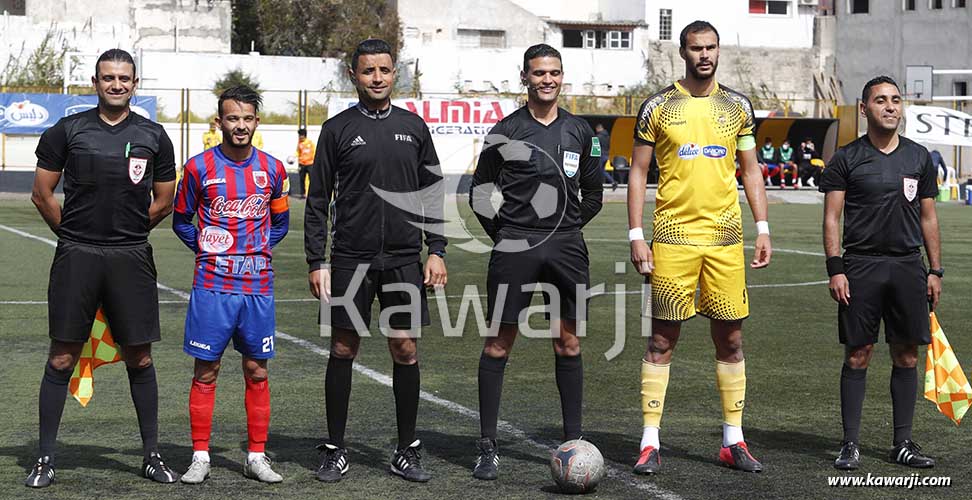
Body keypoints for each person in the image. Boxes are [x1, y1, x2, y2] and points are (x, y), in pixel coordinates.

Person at [26, 48, 179, 488]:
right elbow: (42, 194)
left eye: (124, 78)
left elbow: (164, 201)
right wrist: (74, 236)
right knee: (61, 356)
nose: (116, 85)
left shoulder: (154, 136)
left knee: (141, 355)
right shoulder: (68, 130)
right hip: (77, 256)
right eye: (108, 78)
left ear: (135, 84)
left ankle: (151, 455)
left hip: (131, 257)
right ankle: (45, 459)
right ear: (95, 82)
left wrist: (128, 232)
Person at [627, 21, 772, 475]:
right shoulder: (658, 106)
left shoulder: (738, 106)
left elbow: (749, 170)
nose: (704, 55)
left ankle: (733, 441)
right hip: (673, 238)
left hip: (726, 240)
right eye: (696, 48)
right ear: (682, 52)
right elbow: (637, 172)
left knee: (731, 339)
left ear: (718, 50)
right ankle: (650, 442)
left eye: (710, 47)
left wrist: (762, 226)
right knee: (661, 339)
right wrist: (635, 235)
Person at [304, 38, 447, 484]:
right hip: (351, 258)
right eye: (368, 71)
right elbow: (318, 200)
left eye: (384, 70)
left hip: (404, 258)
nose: (378, 78)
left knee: (404, 348)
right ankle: (335, 449)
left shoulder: (414, 126)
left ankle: (407, 449)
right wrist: (317, 259)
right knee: (344, 347)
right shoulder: (336, 129)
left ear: (394, 73)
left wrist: (436, 249)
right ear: (354, 76)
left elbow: (432, 192)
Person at [468, 43, 603, 481]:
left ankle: (574, 441)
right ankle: (487, 446)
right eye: (539, 73)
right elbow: (479, 193)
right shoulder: (505, 130)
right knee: (498, 344)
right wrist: (507, 236)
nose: (547, 79)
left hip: (566, 248)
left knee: (568, 343)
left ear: (562, 77)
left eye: (554, 72)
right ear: (524, 77)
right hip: (516, 247)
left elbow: (595, 193)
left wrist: (564, 228)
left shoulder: (581, 132)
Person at [820, 76, 942, 471]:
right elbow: (832, 218)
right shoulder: (846, 158)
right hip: (861, 266)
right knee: (858, 353)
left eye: (895, 100)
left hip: (908, 266)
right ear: (864, 108)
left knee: (907, 353)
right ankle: (850, 444)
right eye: (881, 100)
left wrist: (935, 269)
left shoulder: (919, 157)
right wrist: (836, 269)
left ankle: (902, 443)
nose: (890, 106)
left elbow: (928, 216)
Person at [172, 86, 289, 484]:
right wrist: (206, 249)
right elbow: (182, 220)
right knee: (206, 370)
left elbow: (281, 223)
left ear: (257, 121)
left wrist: (257, 249)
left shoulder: (274, 169)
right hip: (212, 285)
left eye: (247, 118)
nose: (239, 126)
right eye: (232, 118)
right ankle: (200, 455)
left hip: (257, 287)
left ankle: (256, 456)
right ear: (219, 121)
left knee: (257, 370)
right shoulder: (197, 167)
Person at [595, 123, 617, 191]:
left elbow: (596, 147)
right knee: (602, 171)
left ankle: (599, 185)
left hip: (600, 155)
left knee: (598, 170)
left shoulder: (598, 137)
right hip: (606, 155)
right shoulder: (607, 136)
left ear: (598, 129)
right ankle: (612, 182)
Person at [296, 128, 315, 199]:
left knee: (312, 179)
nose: (300, 137)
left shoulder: (310, 143)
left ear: (304, 135)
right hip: (302, 164)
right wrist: (294, 157)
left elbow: (314, 152)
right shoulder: (299, 143)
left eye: (301, 135)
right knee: (302, 179)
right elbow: (298, 152)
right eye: (299, 135)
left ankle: (312, 193)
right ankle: (303, 194)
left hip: (310, 163)